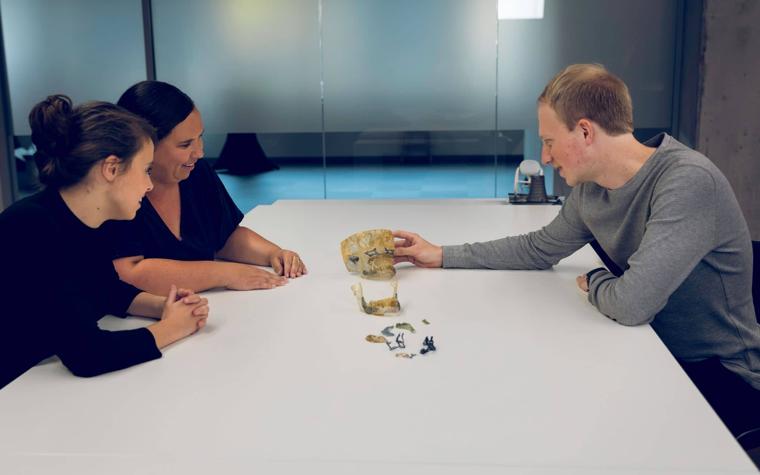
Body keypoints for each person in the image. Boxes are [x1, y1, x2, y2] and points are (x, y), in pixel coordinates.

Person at [393, 64, 760, 438]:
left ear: (585, 131)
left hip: (720, 377)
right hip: (648, 355)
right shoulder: (592, 189)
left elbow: (632, 305)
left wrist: (599, 279)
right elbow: (539, 248)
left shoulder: (688, 181)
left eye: (549, 141)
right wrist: (439, 254)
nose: (546, 157)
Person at [0, 95, 209, 389]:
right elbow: (87, 354)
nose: (150, 185)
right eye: (145, 170)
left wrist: (165, 306)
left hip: (41, 381)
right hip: (15, 392)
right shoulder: (30, 226)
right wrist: (171, 328)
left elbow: (107, 291)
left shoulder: (94, 218)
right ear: (111, 168)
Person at [99, 81, 306, 296]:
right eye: (185, 144)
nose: (199, 152)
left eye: (200, 137)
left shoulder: (195, 172)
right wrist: (225, 274)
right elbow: (129, 273)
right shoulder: (119, 191)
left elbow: (224, 236)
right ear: (144, 145)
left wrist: (274, 253)